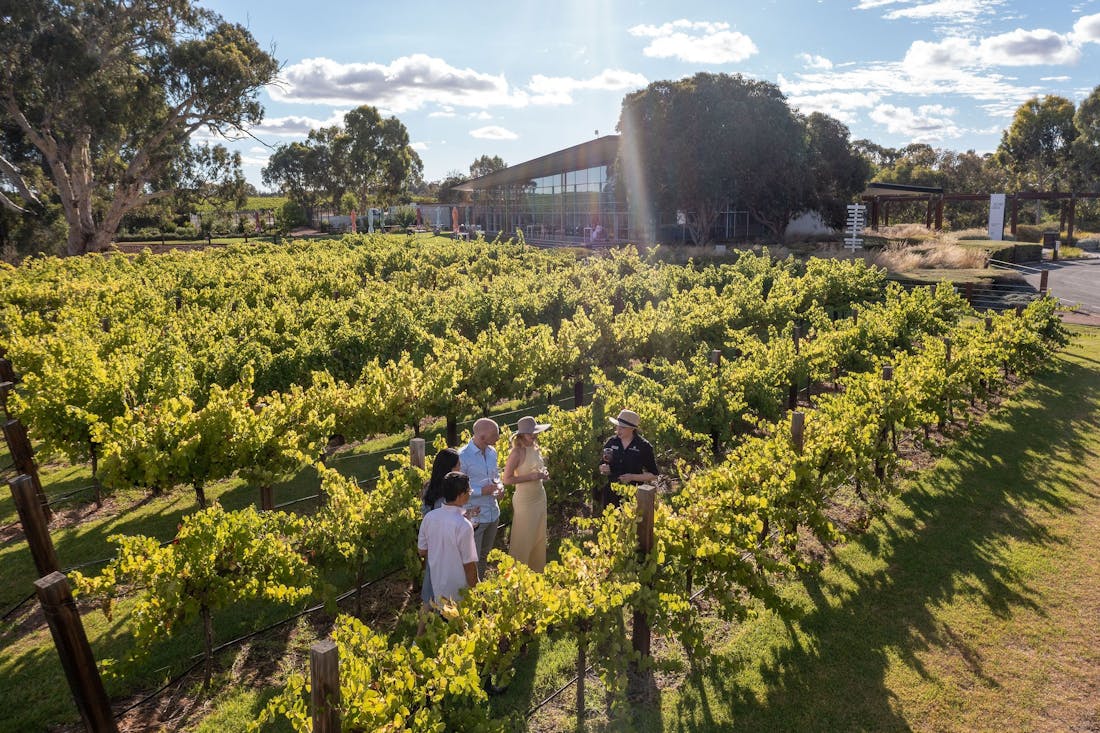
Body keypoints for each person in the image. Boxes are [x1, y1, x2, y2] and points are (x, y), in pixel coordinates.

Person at [419, 449, 470, 630]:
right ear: (450, 468)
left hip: (434, 549)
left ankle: (420, 638)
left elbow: (429, 518)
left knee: (429, 596)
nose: (460, 468)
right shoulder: (449, 491)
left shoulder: (428, 487)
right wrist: (467, 519)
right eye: (458, 466)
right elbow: (448, 520)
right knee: (452, 594)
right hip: (449, 549)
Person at [417, 472, 479, 608]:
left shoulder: (429, 518)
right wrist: (478, 595)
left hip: (438, 589)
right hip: (460, 595)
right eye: (469, 490)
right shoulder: (463, 525)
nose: (470, 493)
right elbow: (469, 567)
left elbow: (422, 551)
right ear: (461, 495)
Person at [503, 416, 550, 572]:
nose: (534, 436)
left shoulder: (535, 447)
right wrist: (530, 477)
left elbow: (538, 469)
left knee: (538, 536)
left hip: (539, 496)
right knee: (523, 538)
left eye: (535, 433)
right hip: (525, 500)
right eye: (531, 434)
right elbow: (507, 479)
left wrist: (544, 474)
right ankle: (517, 575)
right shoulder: (517, 453)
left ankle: (536, 572)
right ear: (522, 435)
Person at [459, 418, 504, 578]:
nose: (498, 438)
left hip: (493, 513)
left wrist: (500, 489)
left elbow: (496, 477)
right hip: (476, 516)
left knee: (484, 556)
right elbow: (458, 489)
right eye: (495, 434)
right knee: (473, 559)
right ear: (483, 437)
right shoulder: (463, 457)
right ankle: (471, 593)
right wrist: (480, 491)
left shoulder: (492, 453)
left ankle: (480, 587)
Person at [598, 409, 659, 509]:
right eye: (617, 426)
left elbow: (653, 475)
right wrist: (603, 468)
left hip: (632, 495)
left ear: (632, 429)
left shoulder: (643, 446)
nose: (618, 429)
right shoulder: (611, 442)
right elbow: (602, 465)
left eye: (622, 427)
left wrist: (632, 477)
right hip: (610, 494)